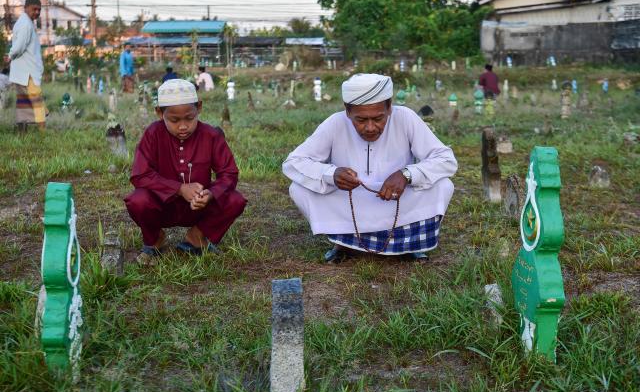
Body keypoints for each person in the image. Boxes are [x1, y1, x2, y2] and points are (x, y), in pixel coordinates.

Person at [283, 73, 458, 263]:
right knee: (298, 188)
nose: (370, 127)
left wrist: (407, 174)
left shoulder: (405, 118)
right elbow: (293, 163)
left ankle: (412, 245)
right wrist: (331, 174)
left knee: (443, 185)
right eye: (360, 120)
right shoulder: (336, 122)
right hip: (351, 200)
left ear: (389, 107)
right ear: (348, 111)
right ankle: (342, 244)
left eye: (378, 118)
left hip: (397, 199)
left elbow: (446, 159)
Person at [124, 79, 247, 265]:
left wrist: (211, 194)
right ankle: (155, 239)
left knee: (235, 200)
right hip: (163, 205)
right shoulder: (153, 134)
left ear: (199, 108)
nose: (183, 126)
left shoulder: (210, 135)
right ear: (159, 113)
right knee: (137, 201)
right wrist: (179, 189)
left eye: (189, 118)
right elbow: (140, 175)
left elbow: (229, 173)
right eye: (174, 120)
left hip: (199, 206)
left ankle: (197, 236)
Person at [5, 0, 46, 132]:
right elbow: (19, 47)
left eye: (39, 10)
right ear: (26, 8)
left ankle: (22, 135)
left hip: (23, 73)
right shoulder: (25, 24)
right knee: (37, 103)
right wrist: (10, 56)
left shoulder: (25, 22)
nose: (37, 12)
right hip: (28, 73)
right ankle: (43, 134)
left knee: (23, 103)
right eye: (34, 9)